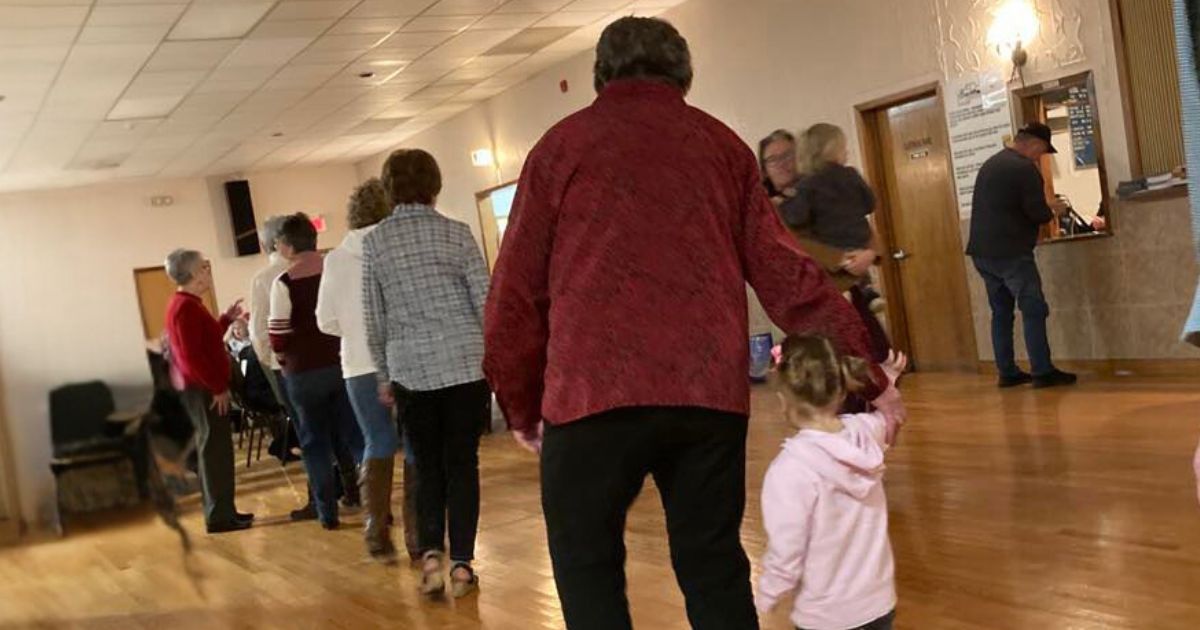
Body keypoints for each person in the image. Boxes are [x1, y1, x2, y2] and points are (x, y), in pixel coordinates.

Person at [483, 17, 904, 630]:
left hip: (589, 396)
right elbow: (788, 276)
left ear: (602, 76)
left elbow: (514, 295)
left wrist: (521, 404)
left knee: (585, 567)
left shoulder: (559, 148)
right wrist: (866, 372)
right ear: (684, 74)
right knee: (713, 568)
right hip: (704, 393)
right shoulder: (722, 147)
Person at [363, 149, 491, 598]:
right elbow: (484, 300)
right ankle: (462, 565)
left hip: (410, 369)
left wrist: (382, 374)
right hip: (464, 365)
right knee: (463, 464)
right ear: (434, 185)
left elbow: (374, 318)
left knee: (426, 466)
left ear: (389, 189)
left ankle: (432, 556)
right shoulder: (456, 234)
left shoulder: (374, 244)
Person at [755, 335, 906, 630]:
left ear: (783, 400)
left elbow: (787, 548)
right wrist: (886, 381)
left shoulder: (789, 470)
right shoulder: (865, 433)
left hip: (826, 617)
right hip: (878, 604)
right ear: (840, 391)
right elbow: (888, 422)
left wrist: (767, 593)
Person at [317, 178, 417, 564]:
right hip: (403, 357)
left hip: (357, 364)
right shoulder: (397, 246)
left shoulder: (336, 259)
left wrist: (355, 329)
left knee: (376, 441)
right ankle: (417, 535)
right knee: (412, 444)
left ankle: (375, 530)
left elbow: (325, 321)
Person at [253, 215, 360, 519]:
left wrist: (283, 357)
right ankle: (366, 501)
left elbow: (277, 335)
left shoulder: (283, 282)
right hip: (341, 365)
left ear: (286, 247)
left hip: (302, 374)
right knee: (351, 436)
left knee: (315, 444)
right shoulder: (335, 269)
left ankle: (326, 512)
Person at [760, 125, 890, 364]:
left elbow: (862, 223)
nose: (783, 163)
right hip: (806, 299)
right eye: (773, 159)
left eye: (788, 154)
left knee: (875, 353)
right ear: (765, 169)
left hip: (845, 288)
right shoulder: (770, 209)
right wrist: (842, 258)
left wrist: (870, 253)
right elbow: (795, 244)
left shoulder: (824, 187)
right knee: (831, 368)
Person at [965, 122, 1077, 389]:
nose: (1040, 157)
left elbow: (1008, 206)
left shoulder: (992, 163)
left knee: (1001, 312)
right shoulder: (1025, 169)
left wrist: (1042, 206)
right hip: (1011, 253)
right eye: (1042, 151)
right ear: (1034, 144)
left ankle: (1007, 372)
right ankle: (1042, 370)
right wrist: (1054, 211)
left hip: (982, 253)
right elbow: (1036, 214)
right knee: (1034, 308)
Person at [162, 248, 254, 534]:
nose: (207, 272)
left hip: (202, 386)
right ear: (191, 274)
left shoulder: (189, 303)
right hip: (203, 389)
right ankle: (218, 515)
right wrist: (217, 388)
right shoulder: (185, 307)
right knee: (214, 450)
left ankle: (224, 510)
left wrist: (225, 318)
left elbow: (208, 340)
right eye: (203, 268)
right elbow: (192, 356)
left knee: (218, 449)